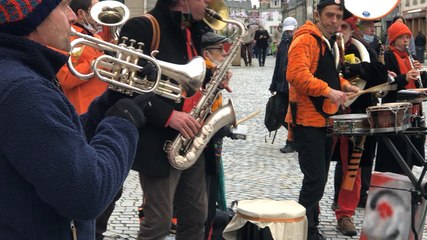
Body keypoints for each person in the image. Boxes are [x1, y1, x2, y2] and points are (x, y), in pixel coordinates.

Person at [0, 0, 153, 239]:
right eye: (62, 6)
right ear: (33, 19)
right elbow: (87, 194)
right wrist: (122, 123)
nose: (72, 15)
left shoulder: (18, 75)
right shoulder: (24, 91)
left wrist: (109, 103)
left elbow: (58, 147)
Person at [118, 0, 231, 238]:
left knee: (195, 217)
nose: (209, 3)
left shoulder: (192, 29)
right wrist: (169, 116)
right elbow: (124, 87)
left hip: (192, 139)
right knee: (158, 222)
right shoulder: (142, 27)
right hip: (158, 140)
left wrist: (212, 77)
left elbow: (187, 74)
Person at [285, 0, 359, 238]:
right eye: (329, 15)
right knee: (315, 179)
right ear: (317, 14)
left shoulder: (331, 41)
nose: (335, 20)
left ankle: (310, 226)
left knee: (319, 178)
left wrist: (346, 86)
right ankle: (305, 231)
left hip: (325, 120)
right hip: (307, 121)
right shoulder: (305, 39)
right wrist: (328, 91)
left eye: (338, 16)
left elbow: (331, 74)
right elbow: (296, 74)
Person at [331, 15, 387, 237]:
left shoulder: (362, 48)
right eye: (338, 25)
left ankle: (345, 214)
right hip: (322, 114)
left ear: (351, 29)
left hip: (355, 114)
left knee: (352, 169)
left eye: (344, 26)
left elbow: (380, 75)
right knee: (318, 169)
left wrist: (358, 70)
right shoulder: (323, 46)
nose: (340, 29)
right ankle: (311, 213)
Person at [376, 21, 427, 174]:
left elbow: (419, 85)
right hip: (395, 110)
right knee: (397, 153)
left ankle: (409, 178)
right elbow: (388, 83)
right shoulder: (389, 56)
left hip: (413, 110)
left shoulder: (409, 56)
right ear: (394, 40)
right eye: (402, 37)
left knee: (411, 151)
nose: (406, 41)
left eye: (407, 37)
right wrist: (405, 77)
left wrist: (421, 73)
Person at [200, 31, 232, 240]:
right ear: (206, 53)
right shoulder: (204, 71)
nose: (224, 53)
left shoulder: (215, 71)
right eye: (219, 50)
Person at [56, 0, 108, 115]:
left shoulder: (96, 37)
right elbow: (66, 78)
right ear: (81, 13)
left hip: (104, 106)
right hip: (85, 111)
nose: (101, 16)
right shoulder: (71, 40)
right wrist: (97, 63)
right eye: (96, 11)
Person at [269, 17, 298, 154]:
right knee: (279, 113)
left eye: (291, 31)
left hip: (293, 86)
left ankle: (292, 142)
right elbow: (278, 66)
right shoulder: (283, 44)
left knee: (292, 115)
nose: (289, 33)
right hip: (281, 85)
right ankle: (297, 138)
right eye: (287, 31)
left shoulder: (299, 43)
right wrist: (273, 84)